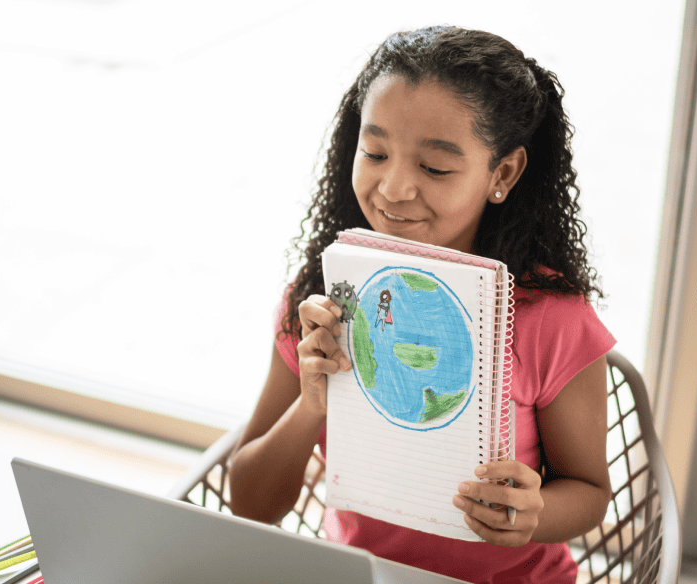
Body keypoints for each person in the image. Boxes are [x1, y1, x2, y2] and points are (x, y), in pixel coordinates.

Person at [228, 25, 615, 584]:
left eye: (434, 168)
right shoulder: (319, 297)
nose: (393, 189)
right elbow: (249, 503)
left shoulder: (549, 317)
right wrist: (312, 403)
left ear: (502, 173)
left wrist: (535, 513)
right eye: (376, 152)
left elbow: (591, 492)